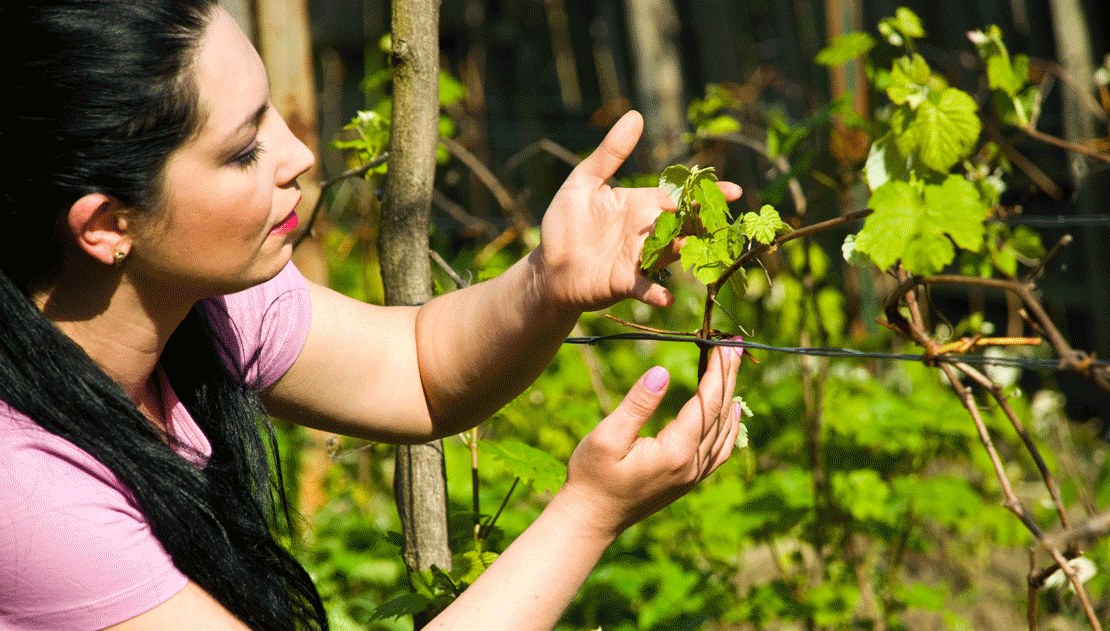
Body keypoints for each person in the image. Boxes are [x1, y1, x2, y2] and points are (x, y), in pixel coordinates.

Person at [0, 1, 745, 629]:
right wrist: (588, 514)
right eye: (242, 150)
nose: (297, 154)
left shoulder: (196, 299)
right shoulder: (27, 491)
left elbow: (416, 368)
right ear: (105, 225)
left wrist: (548, 279)